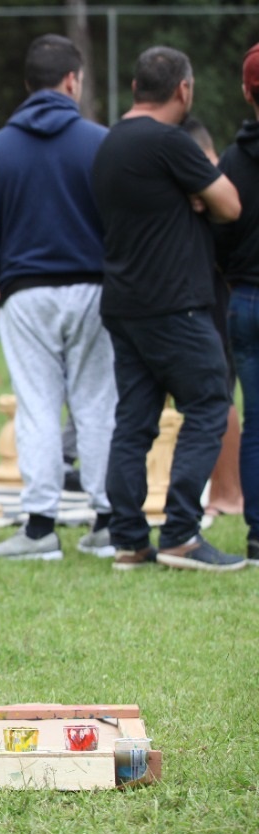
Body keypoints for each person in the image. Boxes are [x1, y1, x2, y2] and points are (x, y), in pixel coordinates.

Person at [0, 34, 118, 561]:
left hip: (26, 291)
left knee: (38, 407)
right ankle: (109, 522)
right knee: (97, 403)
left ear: (27, 85)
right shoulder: (101, 142)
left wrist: (7, 273)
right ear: (73, 81)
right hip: (95, 289)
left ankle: (40, 528)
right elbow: (126, 220)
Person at [91, 46, 244, 571]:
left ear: (136, 87)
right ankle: (181, 531)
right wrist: (197, 193)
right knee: (208, 403)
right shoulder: (169, 142)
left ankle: (130, 539)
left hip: (124, 303)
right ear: (184, 90)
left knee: (133, 421)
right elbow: (229, 203)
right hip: (176, 303)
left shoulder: (109, 143)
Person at [183, 117, 245, 519]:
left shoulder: (223, 180)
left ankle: (228, 493)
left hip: (226, 298)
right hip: (211, 298)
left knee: (220, 393)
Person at [214, 42, 259, 563]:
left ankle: (257, 533)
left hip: (245, 297)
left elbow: (218, 240)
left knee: (255, 419)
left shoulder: (231, 162)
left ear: (247, 91)